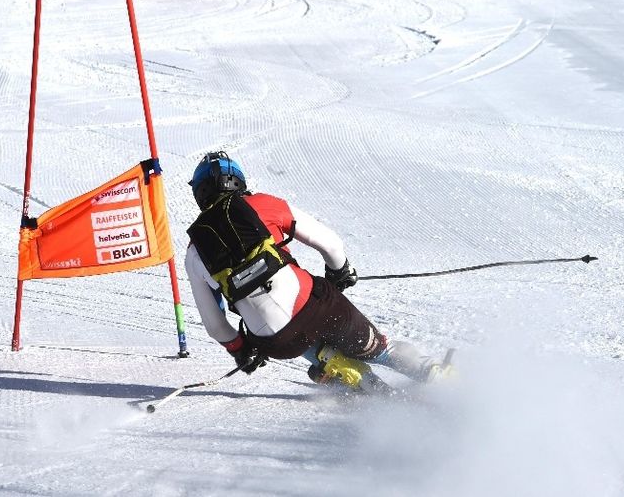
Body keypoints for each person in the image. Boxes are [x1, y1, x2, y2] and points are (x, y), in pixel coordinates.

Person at [184, 151, 450, 391]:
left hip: (276, 342)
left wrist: (241, 350)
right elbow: (331, 244)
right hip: (317, 307)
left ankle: (362, 384)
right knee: (379, 349)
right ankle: (437, 375)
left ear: (200, 194)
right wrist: (339, 272)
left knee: (301, 339)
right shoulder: (263, 204)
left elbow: (215, 326)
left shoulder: (194, 250)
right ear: (238, 180)